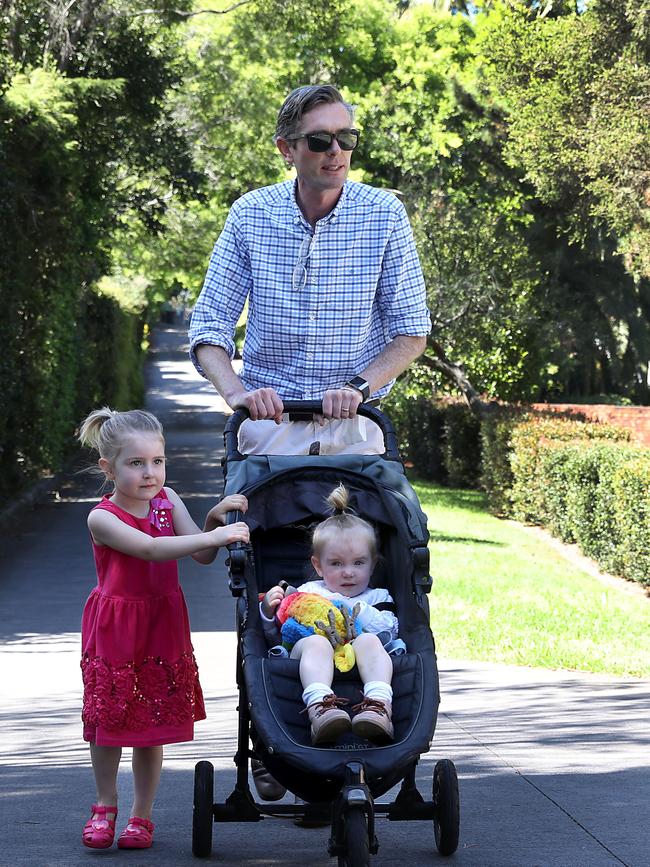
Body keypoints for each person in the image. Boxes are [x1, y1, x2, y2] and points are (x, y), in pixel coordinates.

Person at [189, 83, 431, 456]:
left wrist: (357, 388)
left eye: (346, 138)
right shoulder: (250, 214)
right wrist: (238, 394)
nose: (336, 151)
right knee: (246, 515)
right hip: (267, 427)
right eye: (319, 140)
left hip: (355, 427)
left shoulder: (384, 214)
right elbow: (209, 326)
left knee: (384, 514)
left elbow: (411, 332)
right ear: (287, 149)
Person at [77, 407, 250, 850]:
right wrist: (213, 537)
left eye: (157, 461)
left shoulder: (168, 500)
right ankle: (104, 804)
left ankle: (141, 815)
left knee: (149, 723)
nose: (150, 473)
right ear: (108, 468)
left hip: (161, 621)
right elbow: (153, 550)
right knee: (110, 719)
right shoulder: (103, 517)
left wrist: (211, 522)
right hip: (118, 624)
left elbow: (200, 554)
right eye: (136, 463)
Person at [260, 484, 398, 744]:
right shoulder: (307, 592)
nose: (348, 572)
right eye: (336, 564)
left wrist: (346, 607)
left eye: (359, 563)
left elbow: (389, 631)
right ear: (318, 565)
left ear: (373, 564)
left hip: (361, 655)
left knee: (370, 640)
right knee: (316, 642)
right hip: (311, 652)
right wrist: (268, 610)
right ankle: (320, 708)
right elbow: (277, 634)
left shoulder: (378, 597)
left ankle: (378, 707)